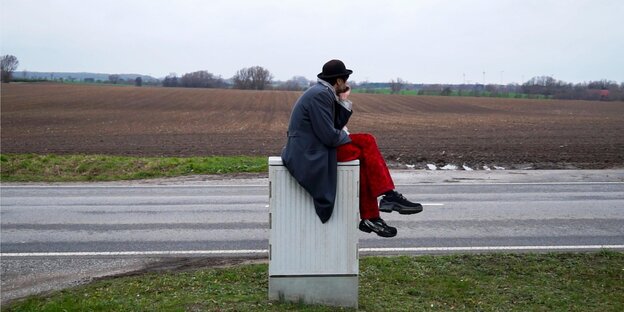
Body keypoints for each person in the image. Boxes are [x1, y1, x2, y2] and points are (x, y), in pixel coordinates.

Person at [281, 59, 422, 238]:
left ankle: (376, 211)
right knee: (364, 147)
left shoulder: (324, 92)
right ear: (338, 81)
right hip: (310, 152)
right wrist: (346, 134)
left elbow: (334, 126)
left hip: (315, 147)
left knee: (365, 148)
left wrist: (343, 100)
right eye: (345, 81)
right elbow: (330, 136)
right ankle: (384, 201)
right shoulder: (320, 95)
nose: (347, 84)